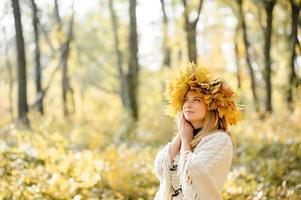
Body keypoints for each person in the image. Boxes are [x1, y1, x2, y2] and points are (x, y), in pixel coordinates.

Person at [153, 62, 243, 200]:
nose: (188, 104)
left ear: (211, 106)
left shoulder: (219, 140)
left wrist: (185, 141)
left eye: (196, 100)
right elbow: (160, 166)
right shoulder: (186, 136)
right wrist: (182, 134)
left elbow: (191, 173)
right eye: (186, 100)